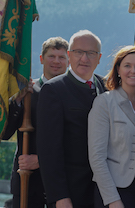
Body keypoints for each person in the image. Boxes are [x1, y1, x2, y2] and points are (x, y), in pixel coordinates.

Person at [37, 30, 109, 208]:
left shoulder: (108, 87)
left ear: (99, 58)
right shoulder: (54, 90)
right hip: (71, 193)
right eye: (78, 52)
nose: (84, 58)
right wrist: (59, 196)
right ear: (69, 55)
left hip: (104, 192)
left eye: (91, 53)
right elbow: (49, 151)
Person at [2, 36, 68, 208]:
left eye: (61, 57)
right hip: (27, 180)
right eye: (51, 56)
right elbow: (5, 133)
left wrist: (41, 160)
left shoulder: (72, 94)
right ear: (41, 59)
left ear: (69, 61)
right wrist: (16, 101)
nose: (56, 61)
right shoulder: (27, 92)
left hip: (63, 182)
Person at [88, 46, 135, 208]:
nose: (133, 70)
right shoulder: (104, 102)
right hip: (115, 192)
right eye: (127, 65)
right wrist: (112, 199)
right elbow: (97, 158)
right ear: (118, 69)